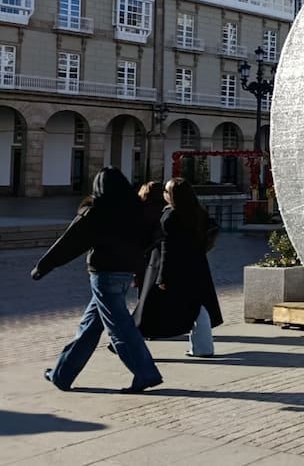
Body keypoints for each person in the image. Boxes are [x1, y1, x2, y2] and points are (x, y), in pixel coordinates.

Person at [31, 167, 163, 394]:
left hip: (104, 275)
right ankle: (62, 375)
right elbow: (154, 236)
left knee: (120, 329)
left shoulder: (97, 212)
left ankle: (145, 373)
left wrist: (42, 267)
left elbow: (69, 242)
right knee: (89, 327)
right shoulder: (137, 210)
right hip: (125, 274)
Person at [135, 178, 223, 357]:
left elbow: (167, 250)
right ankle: (203, 347)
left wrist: (162, 277)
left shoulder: (171, 216)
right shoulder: (198, 212)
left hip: (175, 269)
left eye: (166, 192)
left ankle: (130, 345)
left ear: (173, 196)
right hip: (197, 266)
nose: (164, 195)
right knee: (199, 307)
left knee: (147, 309)